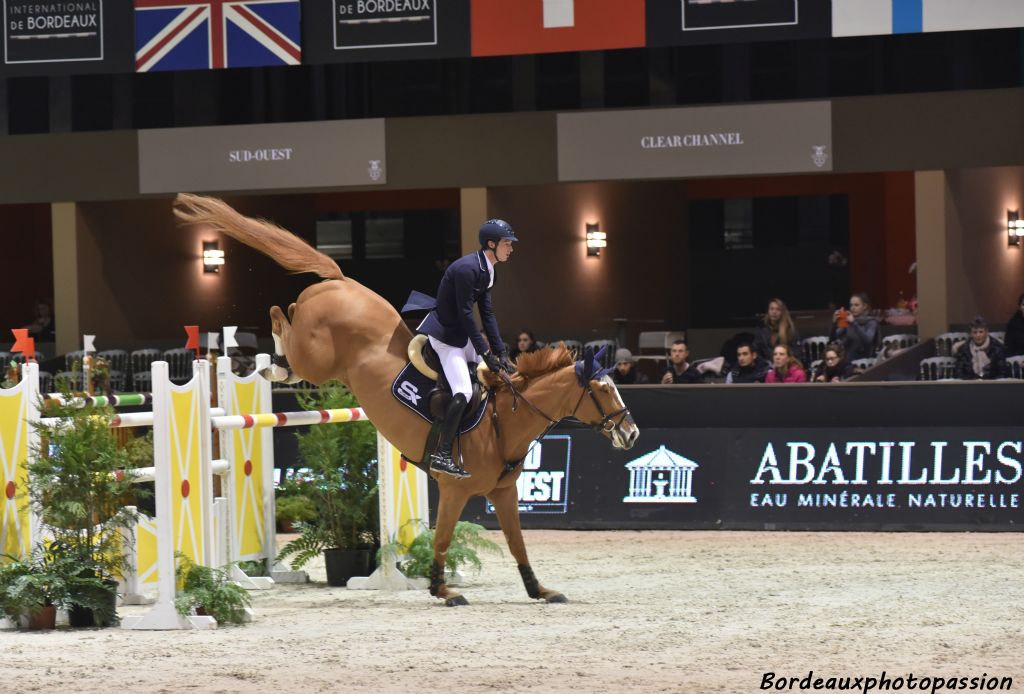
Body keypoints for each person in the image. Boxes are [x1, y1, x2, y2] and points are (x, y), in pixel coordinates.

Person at [417, 219, 518, 478]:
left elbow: (487, 312)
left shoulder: (490, 270)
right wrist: (485, 352)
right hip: (446, 337)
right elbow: (465, 314)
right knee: (462, 390)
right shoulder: (466, 270)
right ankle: (441, 454)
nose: (511, 249)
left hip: (463, 336)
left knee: (496, 375)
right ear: (491, 244)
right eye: (507, 244)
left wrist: (501, 352)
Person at [829, 292, 879, 361]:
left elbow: (868, 341)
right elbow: (834, 338)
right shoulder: (848, 319)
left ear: (864, 306)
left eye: (856, 305)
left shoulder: (871, 322)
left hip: (865, 359)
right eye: (851, 305)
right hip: (848, 356)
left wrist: (854, 323)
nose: (853, 308)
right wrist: (834, 323)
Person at [954, 316, 1006, 380]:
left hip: (992, 385)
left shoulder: (997, 348)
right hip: (969, 385)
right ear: (971, 334)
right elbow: (959, 372)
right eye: (975, 332)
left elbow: (1002, 372)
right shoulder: (964, 349)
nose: (978, 335)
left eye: (981, 332)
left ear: (987, 332)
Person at [753, 298, 802, 365]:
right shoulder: (761, 328)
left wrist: (785, 362)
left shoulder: (790, 329)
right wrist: (766, 364)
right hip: (766, 366)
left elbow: (797, 352)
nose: (774, 312)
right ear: (768, 311)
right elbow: (756, 350)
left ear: (782, 312)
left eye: (778, 309)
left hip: (786, 365)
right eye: (772, 309)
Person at [1004, 293, 1024, 358]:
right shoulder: (1013, 323)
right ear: (1020, 307)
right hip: (1018, 358)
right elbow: (1008, 347)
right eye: (1023, 305)